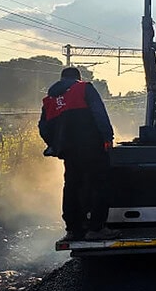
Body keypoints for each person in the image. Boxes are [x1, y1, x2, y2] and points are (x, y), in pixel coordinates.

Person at [39, 67, 120, 241]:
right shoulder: (84, 88)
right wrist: (108, 137)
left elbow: (43, 127)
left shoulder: (50, 99)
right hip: (92, 147)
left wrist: (54, 144)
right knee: (99, 185)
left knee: (72, 187)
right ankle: (96, 228)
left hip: (69, 152)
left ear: (61, 80)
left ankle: (73, 229)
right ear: (77, 78)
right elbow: (99, 113)